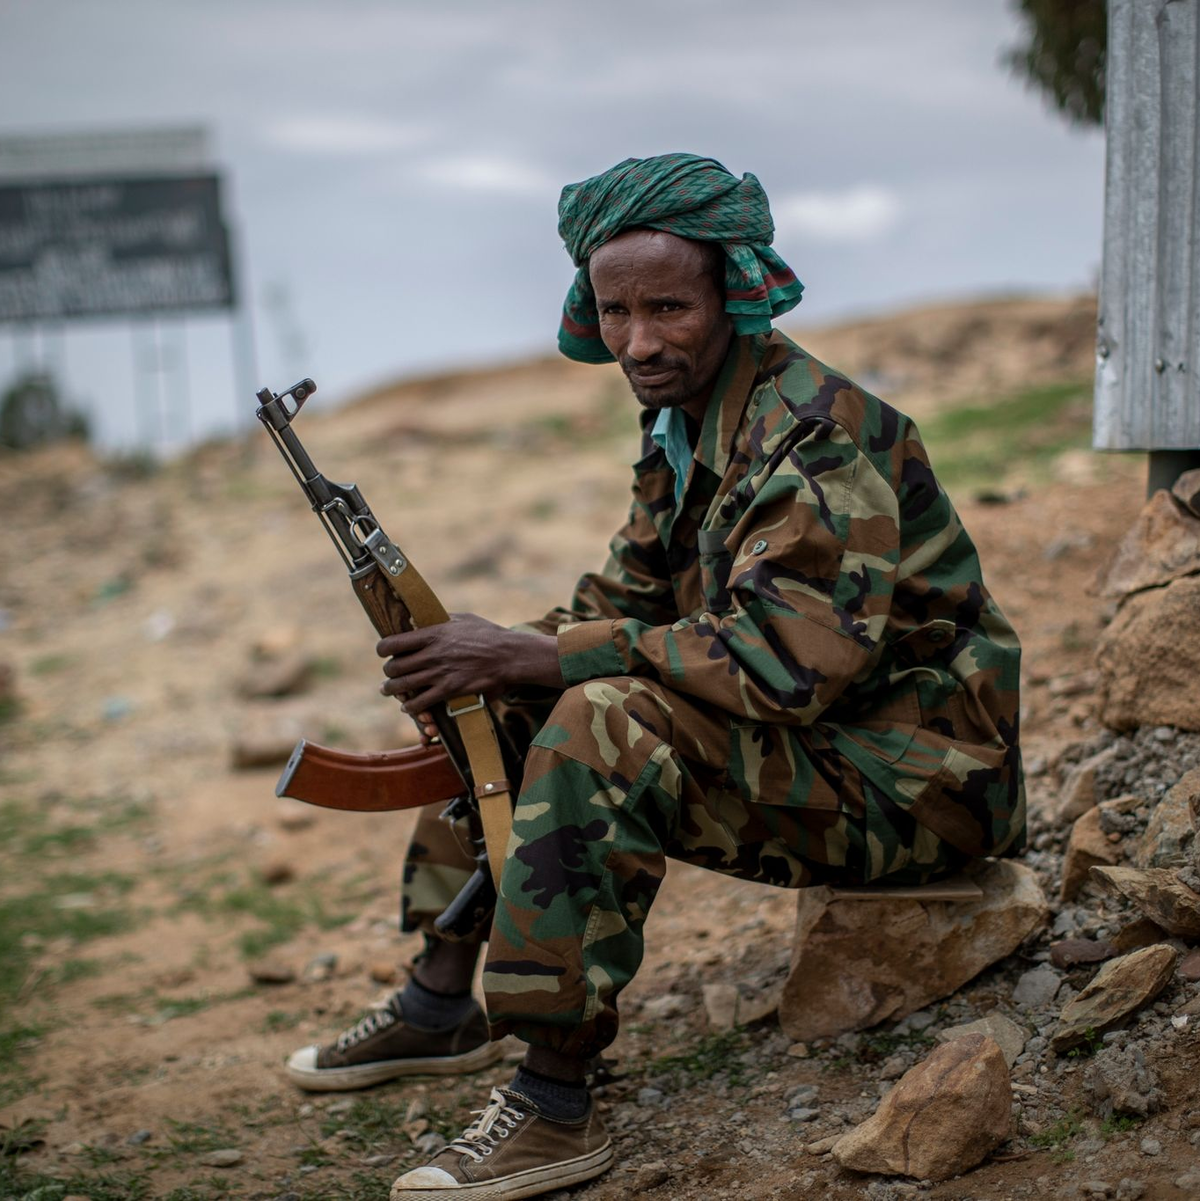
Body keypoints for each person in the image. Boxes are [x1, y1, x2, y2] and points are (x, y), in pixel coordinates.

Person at [287, 153, 1025, 1200]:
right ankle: (442, 997)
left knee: (600, 717)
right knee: (501, 696)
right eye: (616, 309)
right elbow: (626, 601)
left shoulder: (813, 441)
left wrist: (541, 654)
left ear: (735, 290)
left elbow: (787, 663)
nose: (639, 341)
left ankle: (551, 1102)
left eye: (669, 307)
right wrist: (474, 653)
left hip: (920, 781)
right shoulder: (684, 420)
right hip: (827, 749)